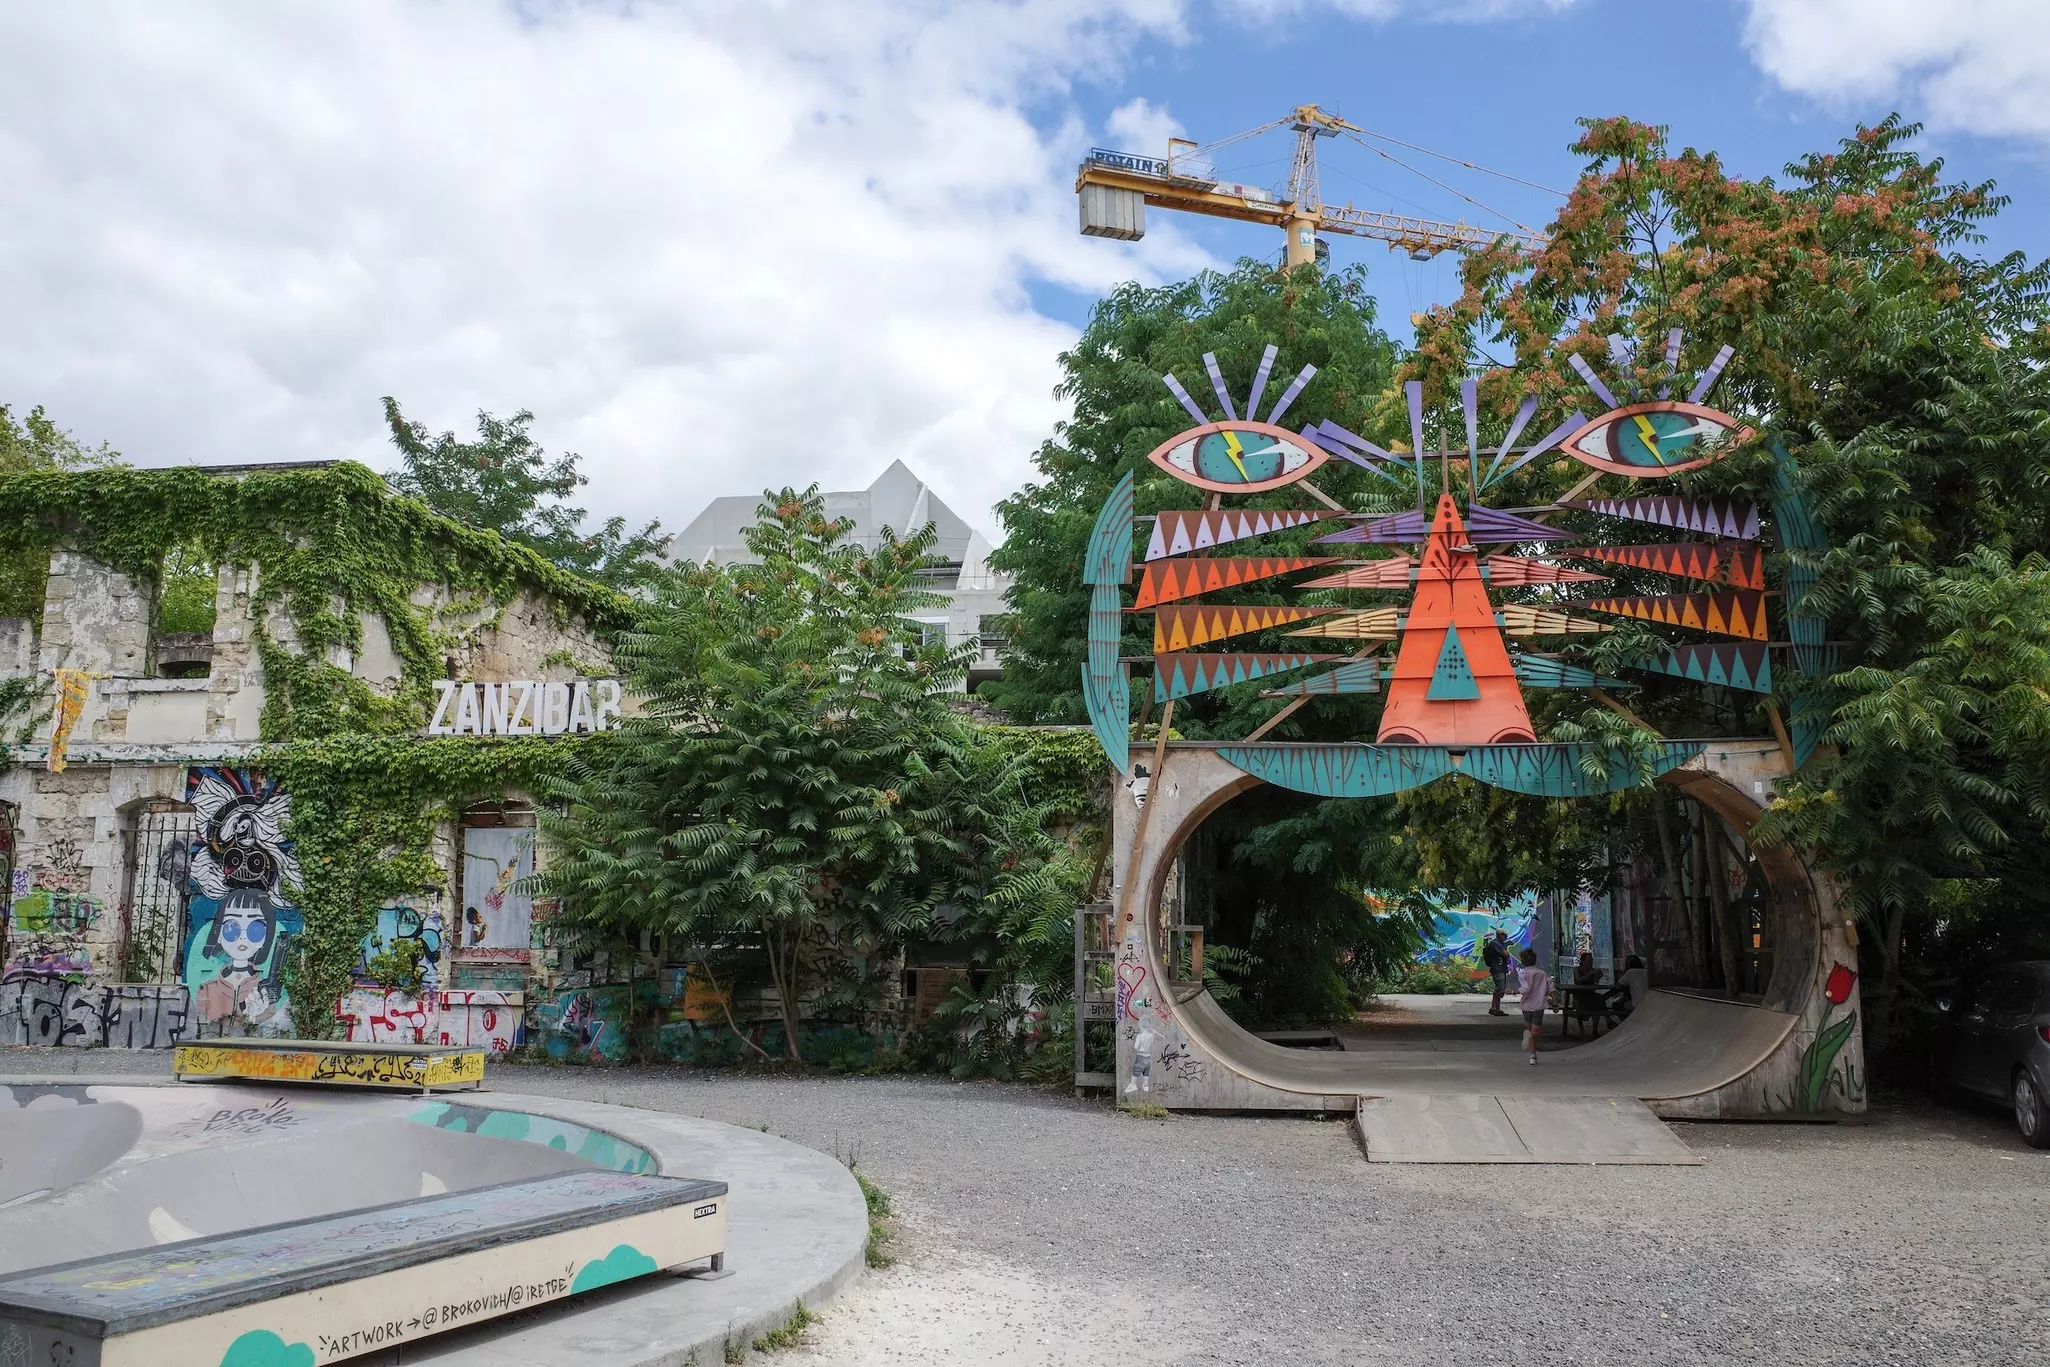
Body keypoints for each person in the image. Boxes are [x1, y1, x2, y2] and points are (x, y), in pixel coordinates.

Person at [1517, 947, 1550, 1064]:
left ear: (1522, 961)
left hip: (1526, 1005)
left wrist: (1517, 991)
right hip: (1539, 1005)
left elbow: (1525, 988)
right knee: (1535, 1031)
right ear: (1535, 960)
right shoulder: (1542, 973)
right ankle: (1533, 1054)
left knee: (1529, 1028)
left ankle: (1532, 1053)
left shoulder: (1522, 973)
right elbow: (1551, 988)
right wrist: (1555, 1002)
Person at [1483, 930, 1513, 1016]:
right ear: (1500, 935)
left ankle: (1497, 1009)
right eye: (1504, 935)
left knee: (1500, 990)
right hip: (1497, 969)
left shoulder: (1499, 943)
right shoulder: (1495, 944)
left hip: (1501, 969)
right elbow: (1505, 954)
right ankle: (1493, 1008)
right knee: (1499, 989)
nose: (1506, 937)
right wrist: (1507, 949)